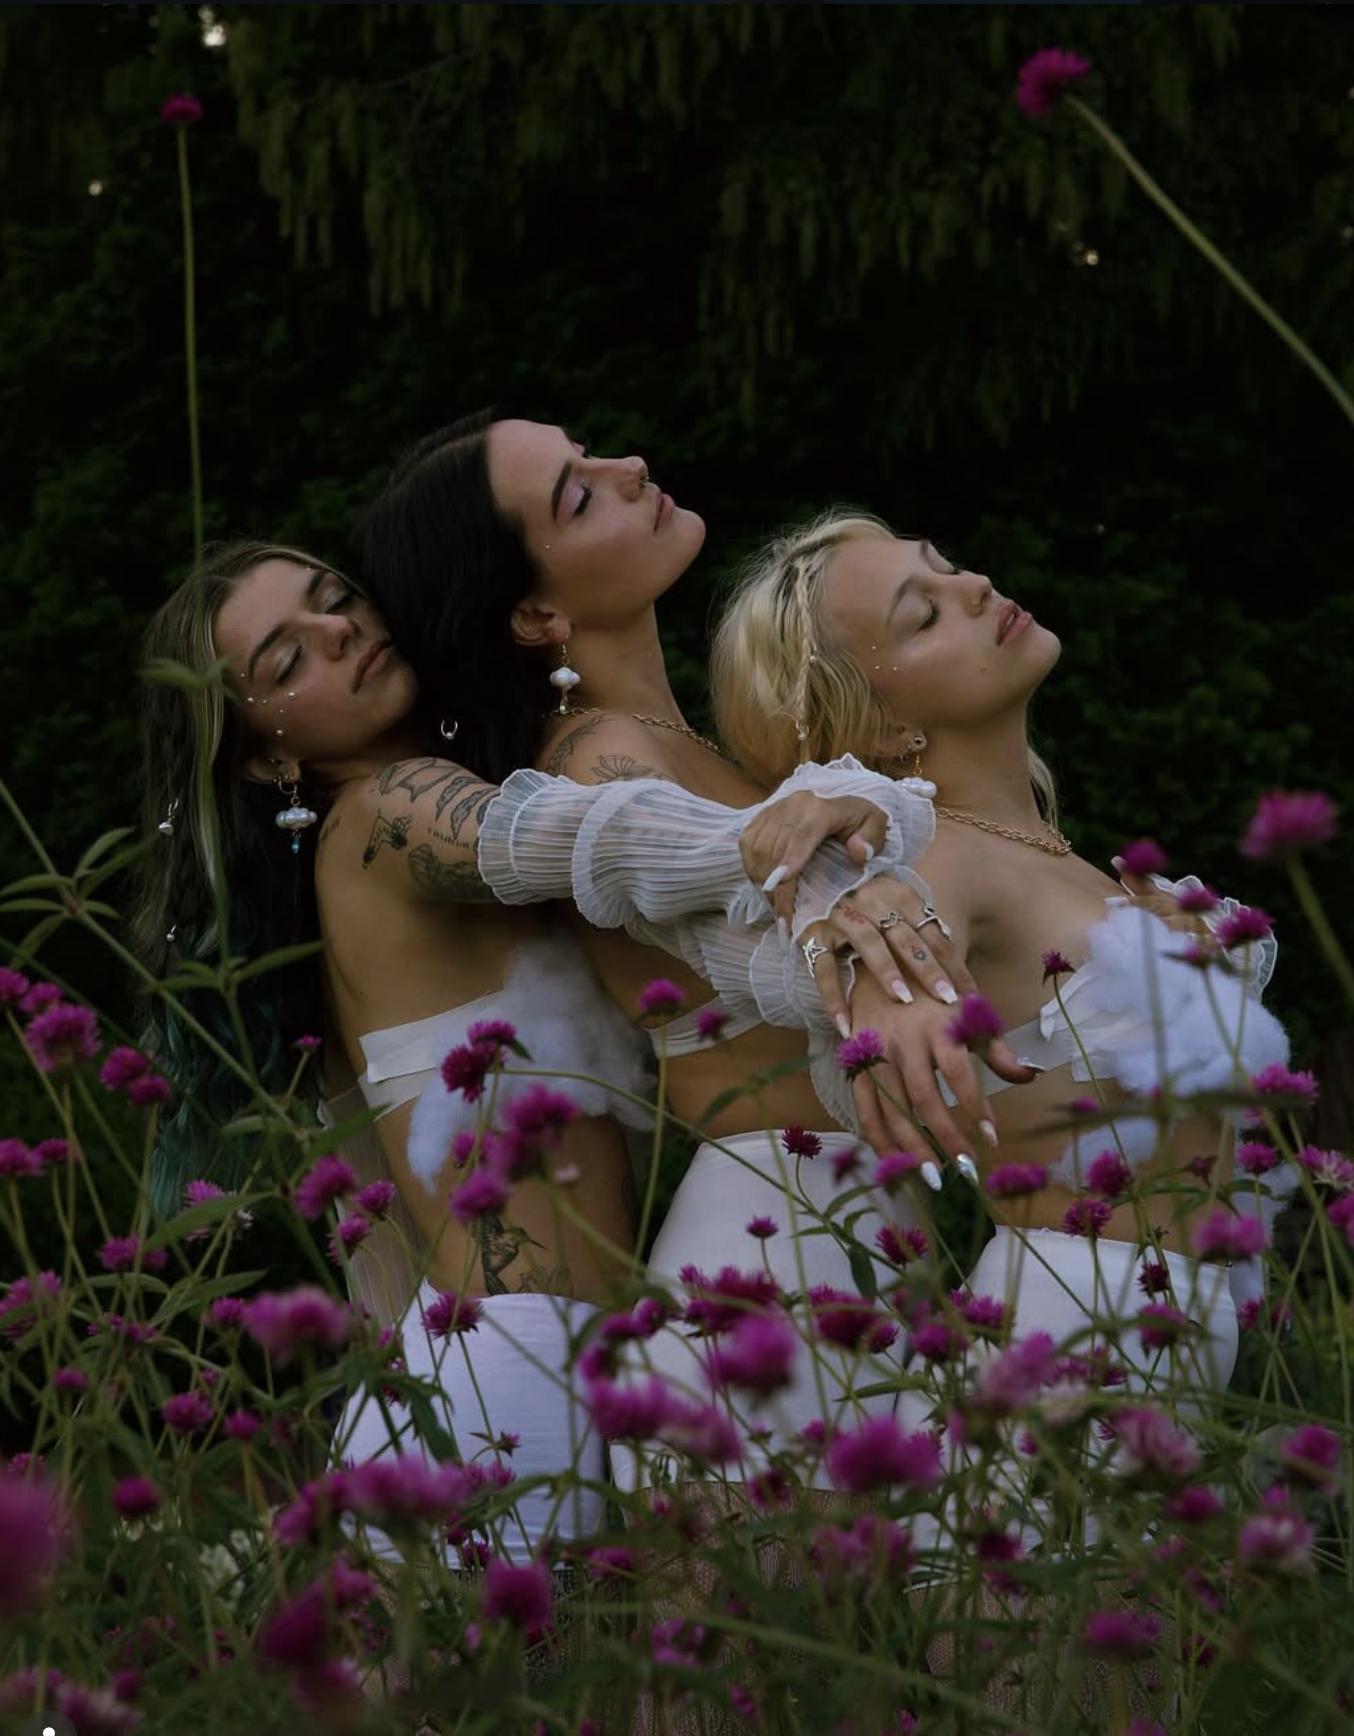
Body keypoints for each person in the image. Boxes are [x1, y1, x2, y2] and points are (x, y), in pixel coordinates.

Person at [132, 538, 968, 1574]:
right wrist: (785, 832)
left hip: (504, 1368)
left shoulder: (358, 864)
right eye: (285, 658)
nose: (340, 630)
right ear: (265, 753)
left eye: (335, 596)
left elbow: (376, 1216)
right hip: (511, 1378)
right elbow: (574, 838)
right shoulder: (389, 810)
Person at [356, 415, 1045, 1504]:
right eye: (580, 495)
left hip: (836, 1220)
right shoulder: (598, 765)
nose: (630, 466)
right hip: (775, 1240)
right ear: (537, 613)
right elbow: (796, 943)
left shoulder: (688, 746)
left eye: (593, 455)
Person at [708, 508, 1293, 1581]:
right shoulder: (951, 864)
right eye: (922, 610)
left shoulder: (1072, 860)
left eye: (945, 566)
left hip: (1197, 1335)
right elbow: (868, 896)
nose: (975, 583)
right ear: (878, 725)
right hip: (1079, 1333)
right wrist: (875, 970)